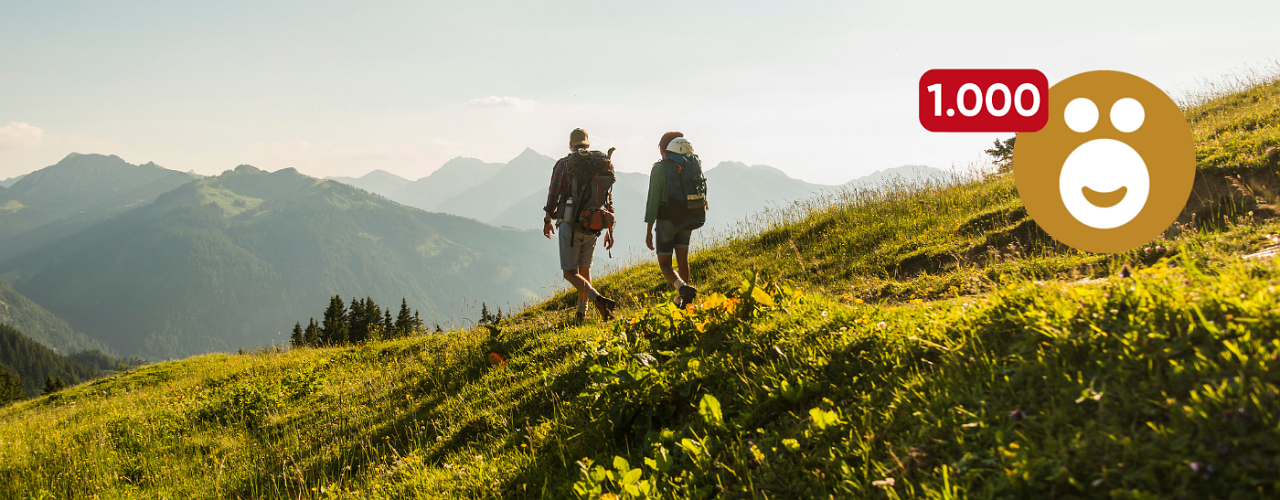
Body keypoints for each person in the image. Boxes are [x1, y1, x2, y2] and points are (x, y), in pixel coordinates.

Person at [543, 128, 618, 321]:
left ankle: (597, 299)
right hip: (594, 224)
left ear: (570, 145)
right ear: (587, 145)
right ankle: (581, 313)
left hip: (570, 223)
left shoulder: (564, 164)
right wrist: (609, 230)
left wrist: (547, 220)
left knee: (570, 273)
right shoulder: (601, 165)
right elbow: (608, 199)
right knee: (585, 270)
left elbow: (554, 193)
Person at [645, 131, 707, 308]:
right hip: (688, 216)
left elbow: (653, 200)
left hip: (667, 220)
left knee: (665, 264)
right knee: (682, 260)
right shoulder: (693, 164)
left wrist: (649, 229)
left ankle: (682, 289)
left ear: (664, 148)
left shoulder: (660, 167)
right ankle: (682, 301)